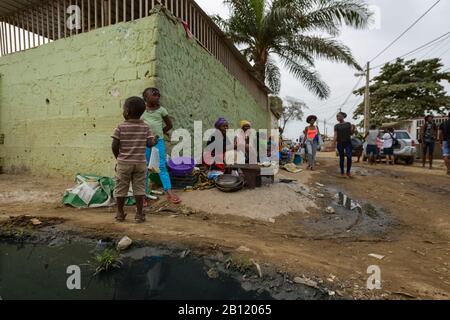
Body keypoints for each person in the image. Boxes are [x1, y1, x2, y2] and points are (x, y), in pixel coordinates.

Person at [111, 97, 155, 223]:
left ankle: (120, 213)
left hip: (124, 163)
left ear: (127, 111)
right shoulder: (146, 127)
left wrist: (118, 159)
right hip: (140, 163)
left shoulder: (120, 127)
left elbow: (114, 145)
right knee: (139, 188)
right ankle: (139, 214)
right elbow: (150, 143)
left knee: (121, 188)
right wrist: (154, 140)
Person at [142, 87, 181, 204]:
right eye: (154, 94)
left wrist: (159, 134)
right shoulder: (141, 110)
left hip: (158, 142)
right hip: (145, 142)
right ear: (146, 98)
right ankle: (143, 194)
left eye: (158, 95)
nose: (157, 96)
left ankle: (168, 192)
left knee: (161, 166)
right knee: (144, 168)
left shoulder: (162, 110)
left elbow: (169, 125)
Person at [333, 112, 356, 177]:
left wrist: (353, 129)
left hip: (348, 143)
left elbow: (351, 133)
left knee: (349, 157)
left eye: (339, 116)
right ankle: (342, 172)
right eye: (337, 117)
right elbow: (335, 135)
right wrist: (333, 143)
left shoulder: (348, 124)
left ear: (343, 116)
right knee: (341, 158)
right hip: (340, 143)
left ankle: (348, 172)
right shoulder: (336, 126)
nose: (337, 117)